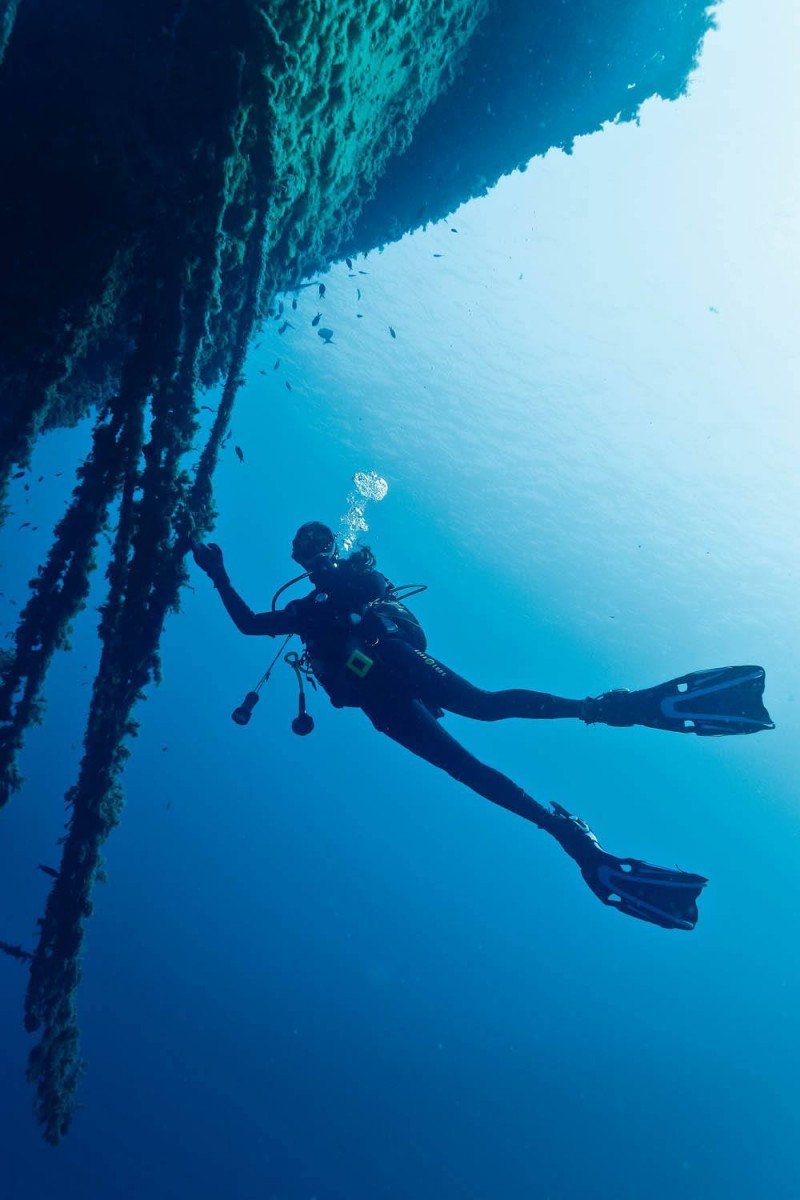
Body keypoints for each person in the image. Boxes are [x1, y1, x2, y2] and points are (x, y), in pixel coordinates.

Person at [193, 522, 773, 932]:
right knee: (471, 752)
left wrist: (246, 576)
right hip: (380, 696)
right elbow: (250, 624)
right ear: (300, 560)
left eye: (316, 547)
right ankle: (578, 829)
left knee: (481, 716)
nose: (312, 557)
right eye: (305, 552)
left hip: (387, 667)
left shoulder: (338, 587)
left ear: (326, 548)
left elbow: (296, 611)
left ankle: (612, 714)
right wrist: (222, 574)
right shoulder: (317, 603)